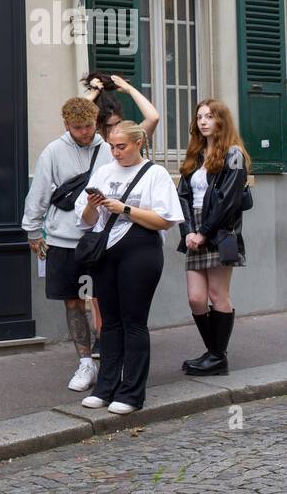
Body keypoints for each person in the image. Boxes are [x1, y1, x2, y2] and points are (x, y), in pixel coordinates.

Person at [75, 121, 183, 414]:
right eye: (111, 146)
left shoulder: (155, 173)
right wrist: (93, 205)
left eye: (121, 146)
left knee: (133, 321)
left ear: (138, 143)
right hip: (105, 252)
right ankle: (105, 387)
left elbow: (166, 220)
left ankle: (132, 393)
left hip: (140, 250)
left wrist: (123, 208)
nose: (115, 152)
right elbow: (85, 220)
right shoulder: (104, 171)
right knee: (109, 323)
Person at [22, 97, 105, 393]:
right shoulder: (53, 152)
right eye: (78, 127)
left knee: (103, 298)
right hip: (63, 239)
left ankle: (108, 358)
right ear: (66, 125)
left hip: (100, 238)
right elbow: (40, 192)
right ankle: (85, 363)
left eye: (89, 126)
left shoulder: (107, 150)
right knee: (72, 301)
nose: (85, 132)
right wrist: (33, 231)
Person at [82, 72, 160, 359]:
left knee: (125, 297)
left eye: (116, 125)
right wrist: (93, 92)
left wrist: (127, 87)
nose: (113, 135)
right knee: (98, 295)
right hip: (97, 218)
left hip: (130, 228)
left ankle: (116, 344)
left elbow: (152, 117)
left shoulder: (129, 141)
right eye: (106, 126)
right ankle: (105, 341)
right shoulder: (93, 142)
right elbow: (76, 115)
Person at [176, 99, 250, 377]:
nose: (203, 121)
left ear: (221, 121)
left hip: (218, 231)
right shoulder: (195, 154)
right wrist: (188, 233)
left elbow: (227, 201)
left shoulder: (233, 154)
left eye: (209, 116)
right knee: (196, 299)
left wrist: (204, 233)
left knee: (218, 294)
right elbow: (181, 195)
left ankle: (217, 356)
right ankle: (215, 353)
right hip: (193, 229)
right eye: (199, 117)